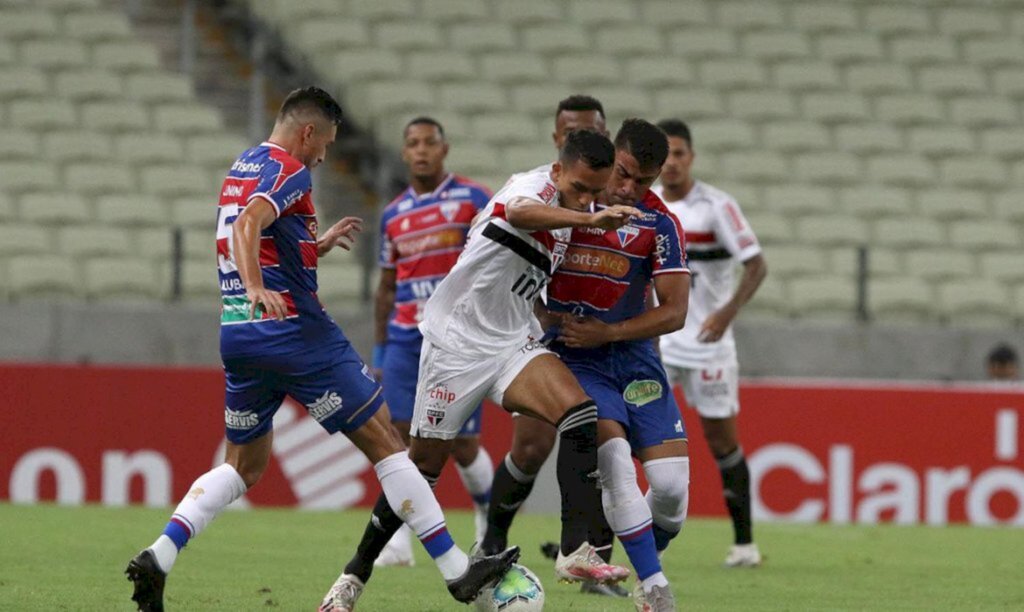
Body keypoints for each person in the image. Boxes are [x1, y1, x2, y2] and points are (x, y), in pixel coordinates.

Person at [124, 87, 518, 612]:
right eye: (326, 143)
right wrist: (259, 284)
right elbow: (248, 228)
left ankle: (159, 555)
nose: (324, 155)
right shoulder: (290, 168)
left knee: (243, 464)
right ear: (307, 132)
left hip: (239, 334)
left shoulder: (245, 163)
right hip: (294, 330)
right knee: (388, 445)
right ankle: (457, 572)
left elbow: (251, 228)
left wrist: (314, 246)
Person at [321, 129, 639, 611]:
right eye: (579, 188)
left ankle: (574, 552)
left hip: (511, 344)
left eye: (595, 192)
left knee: (580, 415)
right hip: (455, 345)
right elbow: (517, 215)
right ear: (558, 171)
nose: (588, 199)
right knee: (421, 468)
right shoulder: (531, 188)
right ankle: (353, 575)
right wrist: (587, 216)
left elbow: (525, 278)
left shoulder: (576, 215)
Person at [479, 94, 629, 599]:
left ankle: (592, 562)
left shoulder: (621, 200)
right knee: (531, 446)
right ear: (557, 143)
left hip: (604, 344)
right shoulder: (544, 194)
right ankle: (492, 540)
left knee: (606, 439)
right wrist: (545, 315)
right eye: (570, 133)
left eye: (592, 131)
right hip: (544, 334)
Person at [542, 118, 690, 611]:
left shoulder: (660, 223)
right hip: (578, 361)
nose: (628, 188)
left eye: (641, 181)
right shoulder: (566, 205)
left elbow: (675, 311)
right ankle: (654, 591)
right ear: (611, 157)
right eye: (622, 174)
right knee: (617, 467)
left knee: (670, 492)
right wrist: (543, 316)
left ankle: (634, 554)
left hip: (634, 360)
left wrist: (612, 332)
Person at [373, 116, 496, 567]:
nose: (421, 150)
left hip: (456, 340)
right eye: (412, 143)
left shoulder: (473, 199)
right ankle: (400, 542)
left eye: (429, 143)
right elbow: (387, 286)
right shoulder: (393, 214)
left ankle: (487, 518)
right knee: (402, 441)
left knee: (460, 446)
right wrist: (381, 351)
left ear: (444, 149)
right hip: (407, 340)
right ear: (405, 153)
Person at [654, 118, 768, 568]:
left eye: (679, 153)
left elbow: (756, 265)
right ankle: (617, 544)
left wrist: (726, 312)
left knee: (722, 442)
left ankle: (744, 544)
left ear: (692, 157)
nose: (673, 162)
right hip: (660, 343)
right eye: (664, 155)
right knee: (632, 437)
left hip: (708, 344)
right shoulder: (648, 206)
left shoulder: (716, 206)